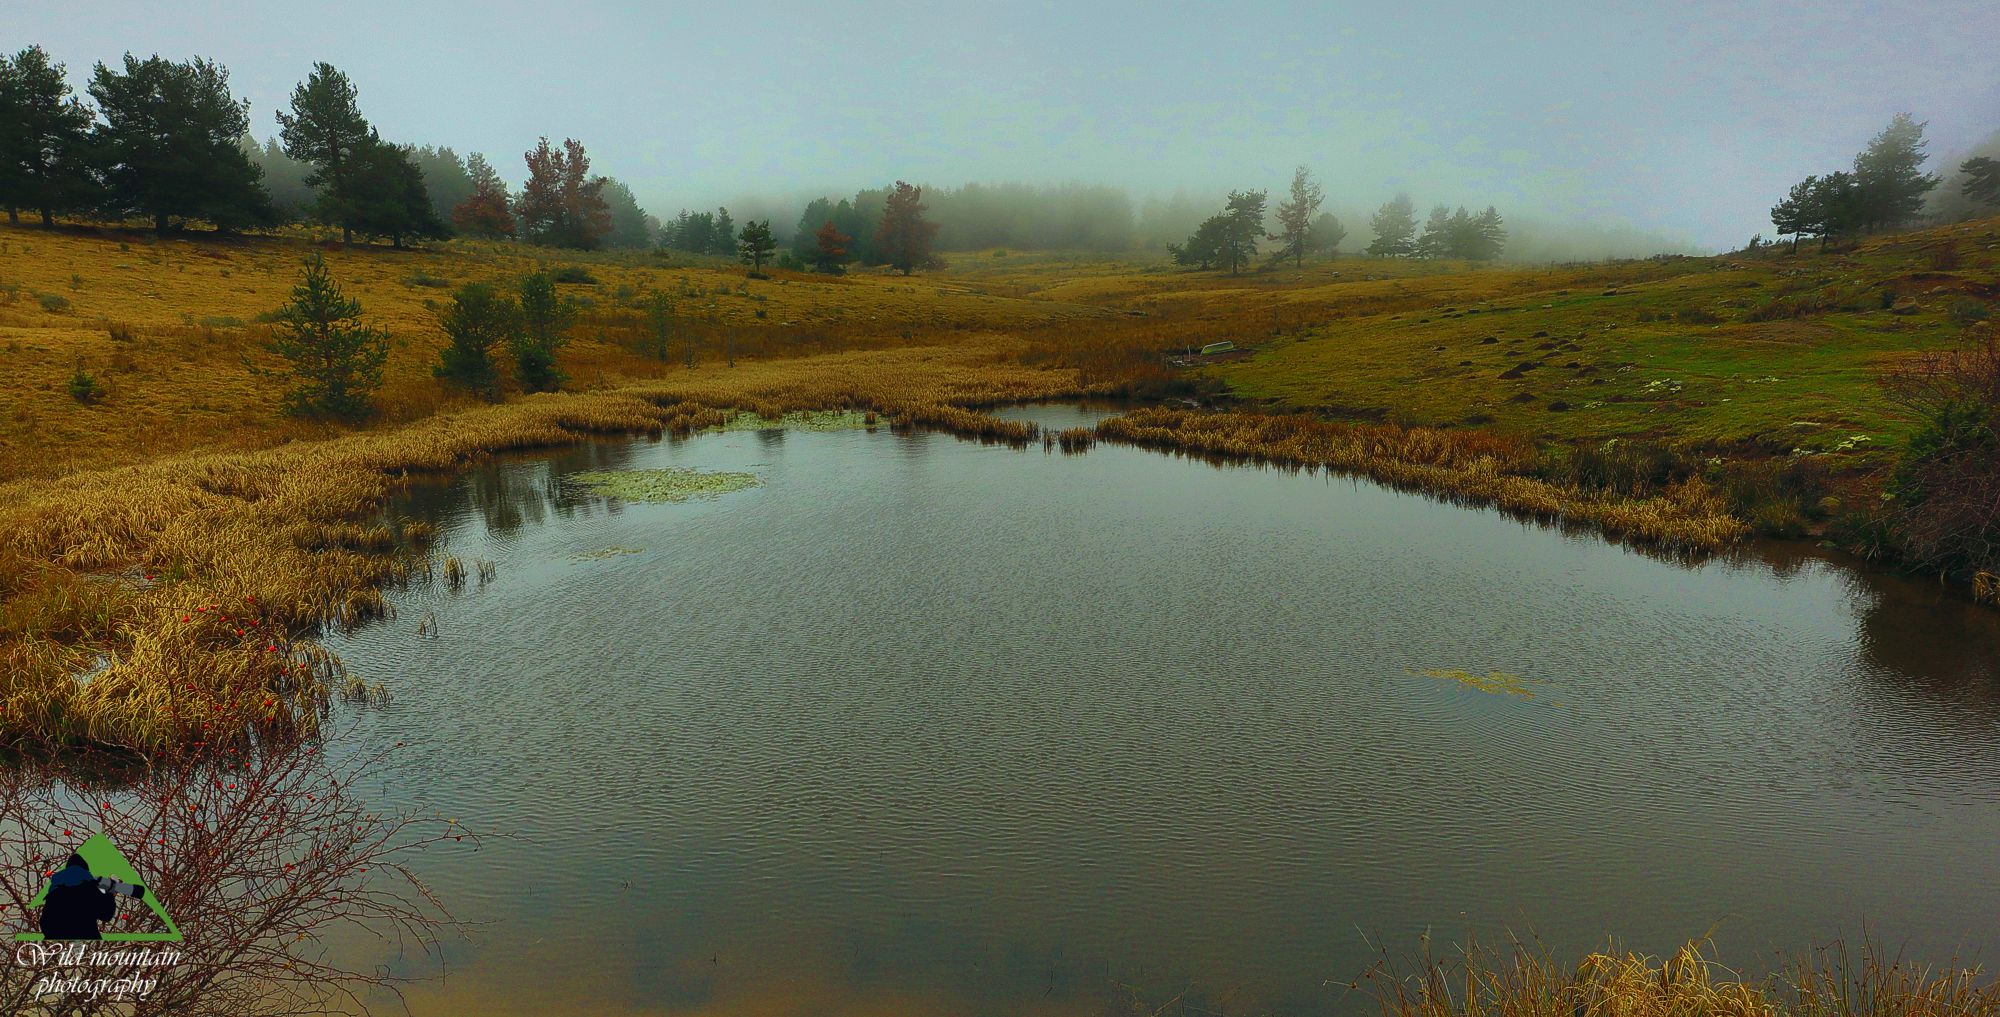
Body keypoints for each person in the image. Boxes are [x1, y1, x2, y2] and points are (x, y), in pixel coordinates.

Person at [39, 854, 115, 940]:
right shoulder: (90, 889)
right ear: (85, 871)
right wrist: (109, 894)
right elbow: (106, 914)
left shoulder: (55, 891)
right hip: (86, 938)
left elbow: (45, 923)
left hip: (57, 941)